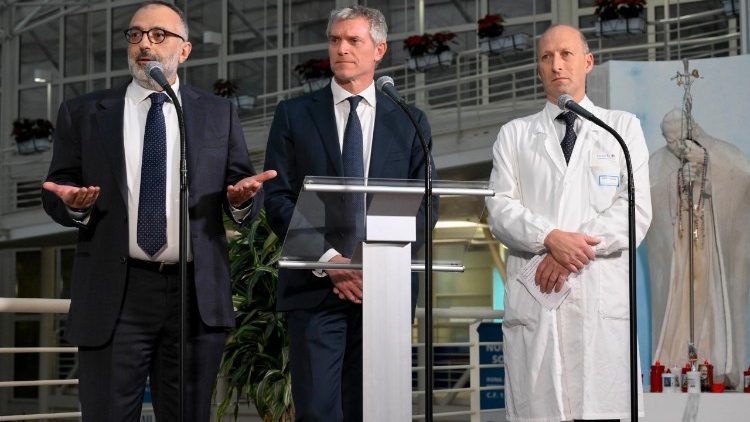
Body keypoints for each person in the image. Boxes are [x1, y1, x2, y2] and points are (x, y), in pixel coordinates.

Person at [41, 1, 275, 420]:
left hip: (193, 295)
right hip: (116, 293)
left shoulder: (217, 113)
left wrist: (240, 200)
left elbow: (241, 187)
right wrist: (73, 205)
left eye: (158, 35)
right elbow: (56, 189)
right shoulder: (84, 112)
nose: (144, 44)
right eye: (135, 35)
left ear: (184, 50)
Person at [263, 5, 436, 421]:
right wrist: (331, 261)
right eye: (335, 40)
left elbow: (426, 205)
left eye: (354, 40)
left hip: (385, 290)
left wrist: (372, 263)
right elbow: (277, 198)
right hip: (314, 290)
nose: (342, 49)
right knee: (318, 410)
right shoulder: (294, 114)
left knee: (376, 411)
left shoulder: (409, 121)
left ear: (379, 50)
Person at [485, 25, 652, 421]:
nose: (556, 64)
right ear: (538, 69)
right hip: (538, 306)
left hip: (599, 306)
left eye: (566, 54)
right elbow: (500, 210)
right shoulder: (514, 135)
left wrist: (567, 250)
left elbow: (635, 211)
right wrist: (548, 237)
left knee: (601, 408)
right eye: (546, 57)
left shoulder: (621, 129)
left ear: (588, 62)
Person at [647, 109, 750, 388]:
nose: (676, 146)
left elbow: (742, 180)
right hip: (679, 254)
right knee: (681, 305)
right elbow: (645, 201)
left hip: (712, 250)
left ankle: (716, 364)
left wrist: (707, 164)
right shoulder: (657, 162)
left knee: (711, 302)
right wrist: (678, 180)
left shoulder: (723, 152)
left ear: (693, 129)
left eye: (680, 138)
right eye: (670, 141)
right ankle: (676, 362)